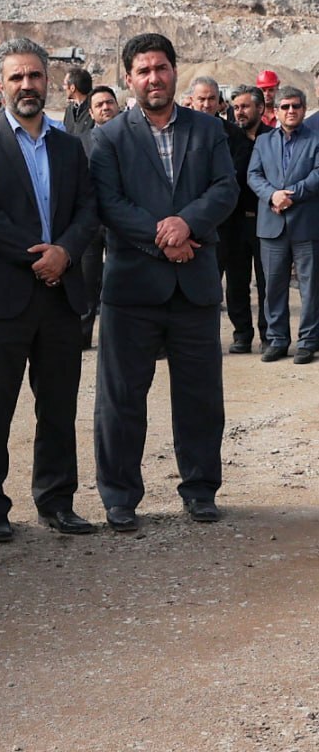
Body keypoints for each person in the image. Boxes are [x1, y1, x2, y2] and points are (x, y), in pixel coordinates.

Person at [89, 33, 237, 531]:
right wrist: (164, 237)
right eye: (144, 70)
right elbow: (109, 204)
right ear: (128, 78)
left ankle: (200, 490)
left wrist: (187, 223)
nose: (154, 78)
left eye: (162, 68)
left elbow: (225, 187)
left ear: (175, 71)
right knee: (121, 399)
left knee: (200, 397)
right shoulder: (109, 137)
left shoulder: (208, 129)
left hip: (194, 286)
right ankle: (120, 498)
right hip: (132, 288)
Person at [0, 40, 99, 543]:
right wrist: (42, 258)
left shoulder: (69, 146)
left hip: (61, 296)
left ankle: (57, 500)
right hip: (0, 297)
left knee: (58, 406)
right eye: (16, 77)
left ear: (48, 81)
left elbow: (88, 209)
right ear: (1, 84)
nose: (26, 85)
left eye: (34, 75)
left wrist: (66, 253)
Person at [248, 87, 319, 364]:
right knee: (273, 286)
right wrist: (272, 195)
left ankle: (308, 341)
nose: (291, 111)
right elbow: (253, 175)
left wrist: (292, 195)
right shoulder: (263, 142)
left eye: (296, 106)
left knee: (310, 287)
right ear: (275, 111)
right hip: (272, 224)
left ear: (303, 109)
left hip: (306, 225)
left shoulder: (315, 139)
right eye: (285, 106)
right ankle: (277, 340)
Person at [222, 85, 269, 354]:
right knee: (236, 282)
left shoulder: (273, 138)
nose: (239, 112)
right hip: (234, 222)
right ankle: (242, 334)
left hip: (266, 221)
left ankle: (268, 334)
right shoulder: (227, 139)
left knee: (267, 282)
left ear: (260, 108)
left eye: (245, 107)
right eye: (236, 107)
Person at [77, 84, 121, 349]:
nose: (105, 108)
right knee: (86, 280)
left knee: (122, 281)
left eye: (109, 103)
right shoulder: (78, 142)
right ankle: (82, 336)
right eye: (99, 105)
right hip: (90, 223)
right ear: (91, 113)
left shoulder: (133, 139)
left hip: (123, 223)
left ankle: (121, 338)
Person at [61, 68, 94, 135]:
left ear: (72, 88)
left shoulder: (95, 109)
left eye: (65, 84)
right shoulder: (69, 110)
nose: (63, 88)